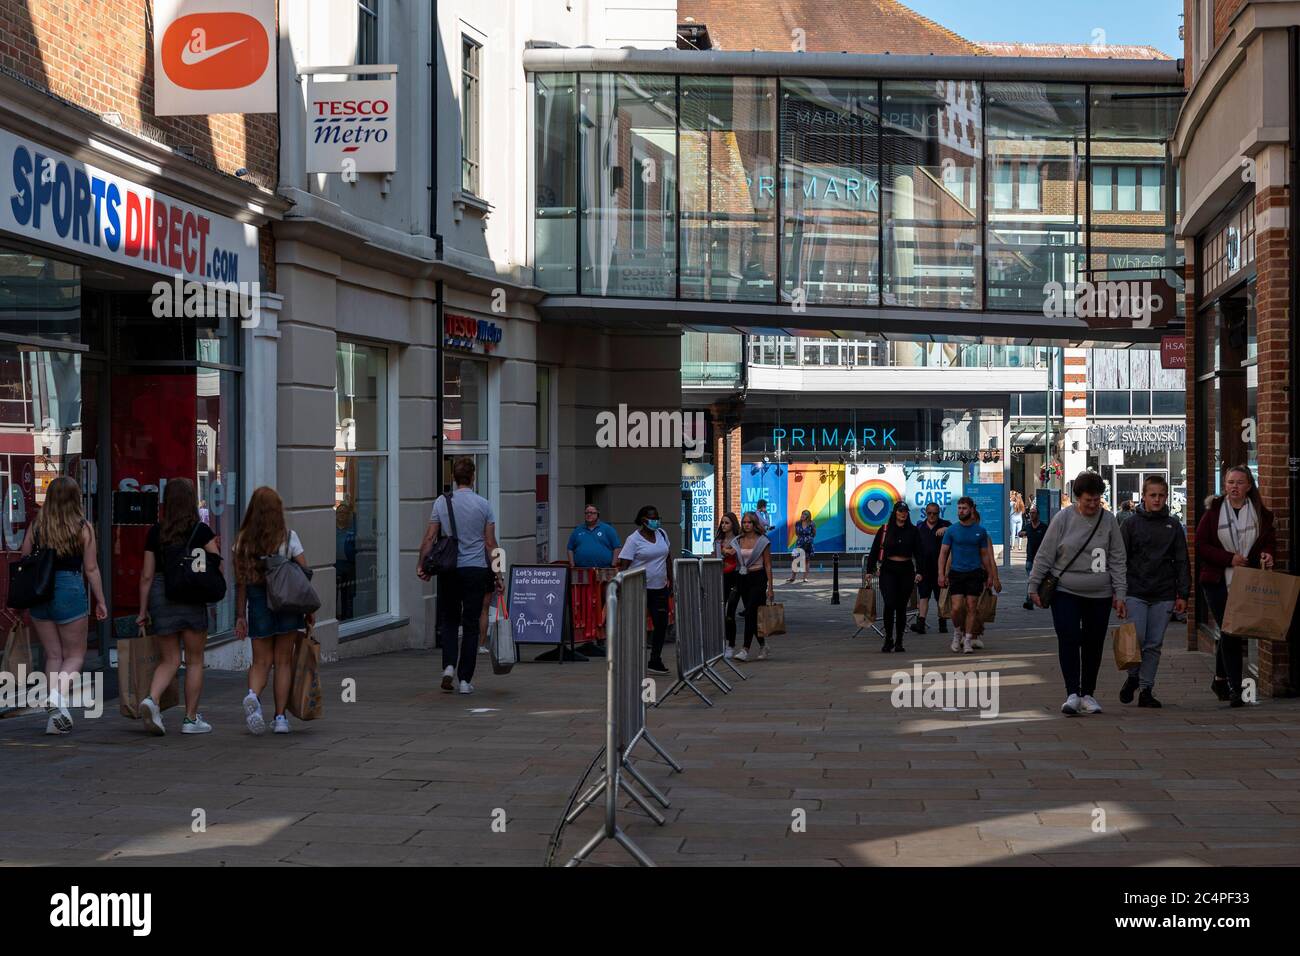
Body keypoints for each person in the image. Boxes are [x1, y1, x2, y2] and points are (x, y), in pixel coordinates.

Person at [1028, 471, 1128, 717]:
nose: (1093, 505)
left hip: (1100, 593)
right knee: (1069, 637)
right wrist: (1033, 585)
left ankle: (1088, 694)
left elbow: (1117, 558)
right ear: (1077, 499)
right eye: (1088, 501)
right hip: (1066, 591)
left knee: (1094, 643)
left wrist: (1120, 593)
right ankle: (1072, 692)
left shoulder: (1109, 520)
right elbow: (1045, 554)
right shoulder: (1063, 519)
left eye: (1097, 500)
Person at [135, 478, 221, 735]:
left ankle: (152, 699)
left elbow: (147, 576)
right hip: (193, 597)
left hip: (163, 595)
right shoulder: (201, 531)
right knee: (194, 661)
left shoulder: (156, 532)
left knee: (169, 659)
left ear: (166, 502)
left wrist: (142, 611)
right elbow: (215, 562)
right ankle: (190, 719)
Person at [21, 476, 107, 736]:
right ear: (75, 499)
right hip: (69, 589)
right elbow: (91, 568)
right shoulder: (83, 527)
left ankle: (54, 719)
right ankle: (56, 698)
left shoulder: (37, 526)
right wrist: (101, 600)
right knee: (75, 655)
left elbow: (24, 557)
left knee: (54, 656)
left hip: (40, 592)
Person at [418, 456, 501, 695]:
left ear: (453, 478)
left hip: (450, 569)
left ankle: (448, 666)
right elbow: (490, 543)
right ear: (473, 477)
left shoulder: (441, 503)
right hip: (476, 569)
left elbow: (430, 537)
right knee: (471, 625)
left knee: (450, 621)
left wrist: (421, 564)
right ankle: (465, 680)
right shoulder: (484, 504)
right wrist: (498, 573)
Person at [1195, 464, 1276, 707]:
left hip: (1247, 581)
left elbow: (1268, 543)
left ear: (1249, 486)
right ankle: (1234, 688)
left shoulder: (1261, 514)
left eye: (1240, 482)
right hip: (1218, 581)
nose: (1234, 487)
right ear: (1225, 485)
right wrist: (1229, 558)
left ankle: (1221, 679)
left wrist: (1267, 555)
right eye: (1230, 482)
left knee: (1233, 631)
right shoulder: (1214, 511)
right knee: (1231, 630)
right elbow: (1201, 545)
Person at [234, 487, 313, 734]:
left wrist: (239, 615)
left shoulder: (243, 540)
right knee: (283, 661)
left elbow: (241, 583)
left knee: (260, 661)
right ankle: (280, 718)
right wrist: (309, 610)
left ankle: (253, 697)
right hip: (287, 601)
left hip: (258, 600)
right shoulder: (288, 538)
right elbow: (304, 573)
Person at [1120, 475, 1190, 709]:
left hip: (1164, 592)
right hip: (1135, 590)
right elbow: (1120, 560)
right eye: (1153, 495)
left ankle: (1146, 689)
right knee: (1136, 638)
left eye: (1161, 495)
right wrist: (1117, 592)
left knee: (1154, 644)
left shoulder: (1174, 526)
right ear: (1144, 496)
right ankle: (1133, 677)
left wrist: (1183, 594)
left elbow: (1182, 561)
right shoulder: (1130, 524)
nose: (1157, 499)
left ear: (1166, 497)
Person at [938, 496, 1001, 654]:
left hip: (974, 573)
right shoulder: (952, 530)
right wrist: (942, 574)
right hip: (957, 573)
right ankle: (957, 632)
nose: (961, 511)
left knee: (972, 606)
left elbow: (986, 556)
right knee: (956, 608)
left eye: (964, 508)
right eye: (959, 508)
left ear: (971, 509)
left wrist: (990, 576)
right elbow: (944, 554)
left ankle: (967, 640)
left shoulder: (980, 532)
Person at [617, 505, 673, 675]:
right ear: (643, 520)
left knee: (661, 623)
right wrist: (622, 586)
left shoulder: (662, 534)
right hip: (639, 588)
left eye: (657, 517)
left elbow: (668, 557)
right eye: (652, 518)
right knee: (636, 625)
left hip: (659, 587)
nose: (656, 521)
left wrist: (671, 578)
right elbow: (624, 564)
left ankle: (655, 659)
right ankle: (631, 659)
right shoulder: (633, 540)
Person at [866, 501, 923, 653]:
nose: (903, 513)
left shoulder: (913, 531)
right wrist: (869, 570)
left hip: (906, 570)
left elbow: (919, 552)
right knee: (889, 603)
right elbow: (874, 550)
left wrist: (920, 572)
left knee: (901, 606)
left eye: (905, 511)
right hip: (888, 570)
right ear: (895, 512)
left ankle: (899, 640)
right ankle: (888, 638)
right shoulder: (885, 529)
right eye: (900, 511)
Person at [729, 511, 774, 661]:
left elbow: (768, 564)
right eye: (744, 522)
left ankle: (745, 649)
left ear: (755, 524)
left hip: (758, 578)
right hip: (743, 578)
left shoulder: (763, 541)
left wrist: (771, 588)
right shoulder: (738, 540)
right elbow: (729, 552)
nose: (746, 525)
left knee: (749, 613)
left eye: (749, 522)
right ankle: (763, 645)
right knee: (752, 616)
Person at [911, 503, 950, 635]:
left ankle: (942, 623)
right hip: (924, 569)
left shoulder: (945, 524)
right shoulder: (920, 527)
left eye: (935, 513)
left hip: (940, 570)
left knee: (941, 598)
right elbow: (915, 549)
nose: (932, 516)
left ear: (939, 513)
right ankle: (921, 623)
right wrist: (917, 571)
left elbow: (957, 528)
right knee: (923, 597)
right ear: (925, 513)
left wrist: (946, 529)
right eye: (930, 513)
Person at [716, 512, 742, 659]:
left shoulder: (738, 540)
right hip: (721, 577)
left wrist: (727, 551)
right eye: (722, 523)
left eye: (727, 523)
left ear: (733, 524)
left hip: (735, 577)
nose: (724, 525)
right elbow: (715, 556)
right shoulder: (718, 540)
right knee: (720, 611)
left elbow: (736, 554)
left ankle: (731, 645)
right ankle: (724, 642)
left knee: (730, 611)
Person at [567, 504, 621, 569]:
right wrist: (572, 564)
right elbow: (570, 548)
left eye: (592, 513)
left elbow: (617, 547)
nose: (589, 514)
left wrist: (613, 564)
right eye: (587, 513)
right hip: (581, 569)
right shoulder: (577, 530)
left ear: (597, 514)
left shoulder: (608, 529)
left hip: (604, 569)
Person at [1020, 506, 1049, 610]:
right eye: (1031, 513)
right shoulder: (1028, 526)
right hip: (1030, 558)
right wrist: (1022, 533)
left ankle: (1040, 599)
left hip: (1041, 559)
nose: (1031, 515)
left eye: (1033, 513)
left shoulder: (1043, 527)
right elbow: (1020, 533)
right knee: (1031, 580)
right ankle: (1029, 601)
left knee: (1039, 581)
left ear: (1038, 515)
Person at [788, 509, 816, 584]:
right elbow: (797, 533)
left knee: (806, 560)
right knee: (795, 560)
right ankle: (793, 577)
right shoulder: (798, 523)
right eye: (802, 514)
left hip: (808, 543)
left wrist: (808, 539)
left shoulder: (811, 523)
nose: (802, 516)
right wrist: (801, 538)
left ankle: (805, 577)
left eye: (804, 515)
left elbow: (814, 533)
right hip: (799, 543)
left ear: (808, 516)